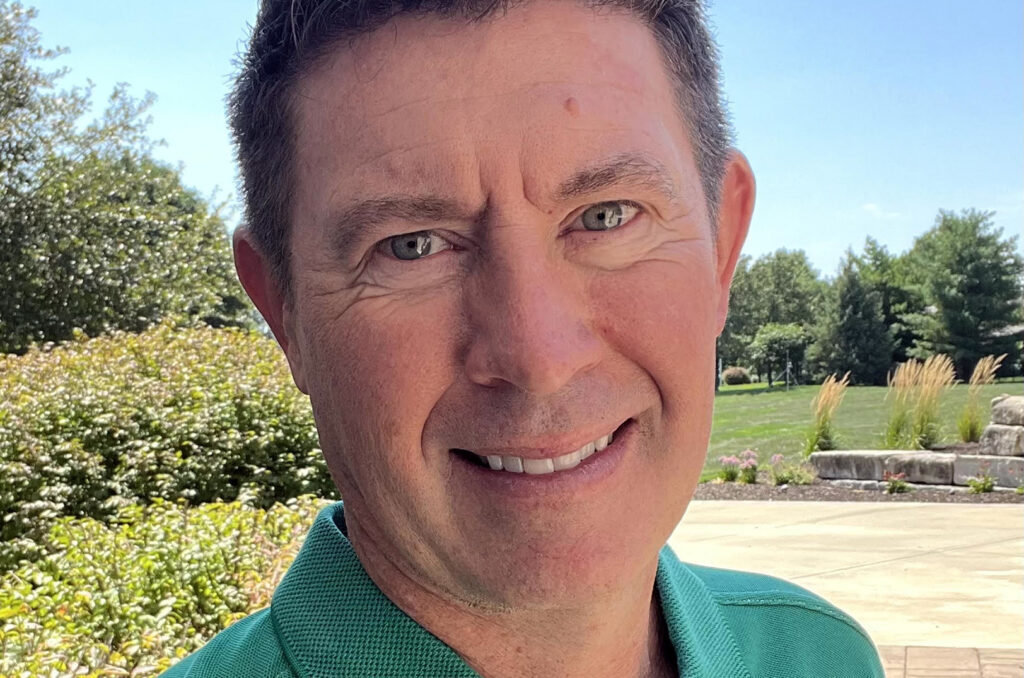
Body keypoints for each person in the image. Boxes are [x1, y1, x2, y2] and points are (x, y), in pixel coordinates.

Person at [162, 1, 884, 676]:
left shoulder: (823, 656)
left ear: (722, 247)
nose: (540, 359)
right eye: (412, 246)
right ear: (282, 311)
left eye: (606, 216)